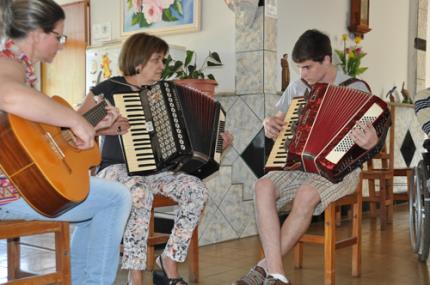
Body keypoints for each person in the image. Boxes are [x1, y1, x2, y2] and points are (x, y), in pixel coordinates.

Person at [79, 32, 232, 285]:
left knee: (196, 191)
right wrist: (107, 127)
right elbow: (78, 124)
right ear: (138, 61)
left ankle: (169, 260)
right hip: (116, 170)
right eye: (157, 60)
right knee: (138, 192)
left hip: (157, 171)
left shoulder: (165, 92)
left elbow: (185, 134)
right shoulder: (107, 88)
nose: (163, 66)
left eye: (163, 60)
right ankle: (135, 274)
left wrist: (217, 141)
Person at [233, 29, 384, 285]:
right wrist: (270, 124)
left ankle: (265, 270)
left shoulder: (357, 89)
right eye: (300, 68)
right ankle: (277, 274)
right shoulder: (297, 87)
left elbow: (372, 144)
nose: (302, 74)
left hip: (339, 170)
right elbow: (278, 123)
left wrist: (371, 143)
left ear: (327, 60)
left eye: (307, 67)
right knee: (263, 186)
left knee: (305, 194)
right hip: (297, 165)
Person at [0, 1, 132, 284]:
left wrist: (92, 128)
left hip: (18, 182)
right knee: (116, 197)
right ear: (37, 34)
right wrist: (75, 120)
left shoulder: (20, 66)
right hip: (8, 192)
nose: (61, 45)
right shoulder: (8, 60)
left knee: (88, 199)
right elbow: (7, 94)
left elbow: (38, 144)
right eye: (59, 36)